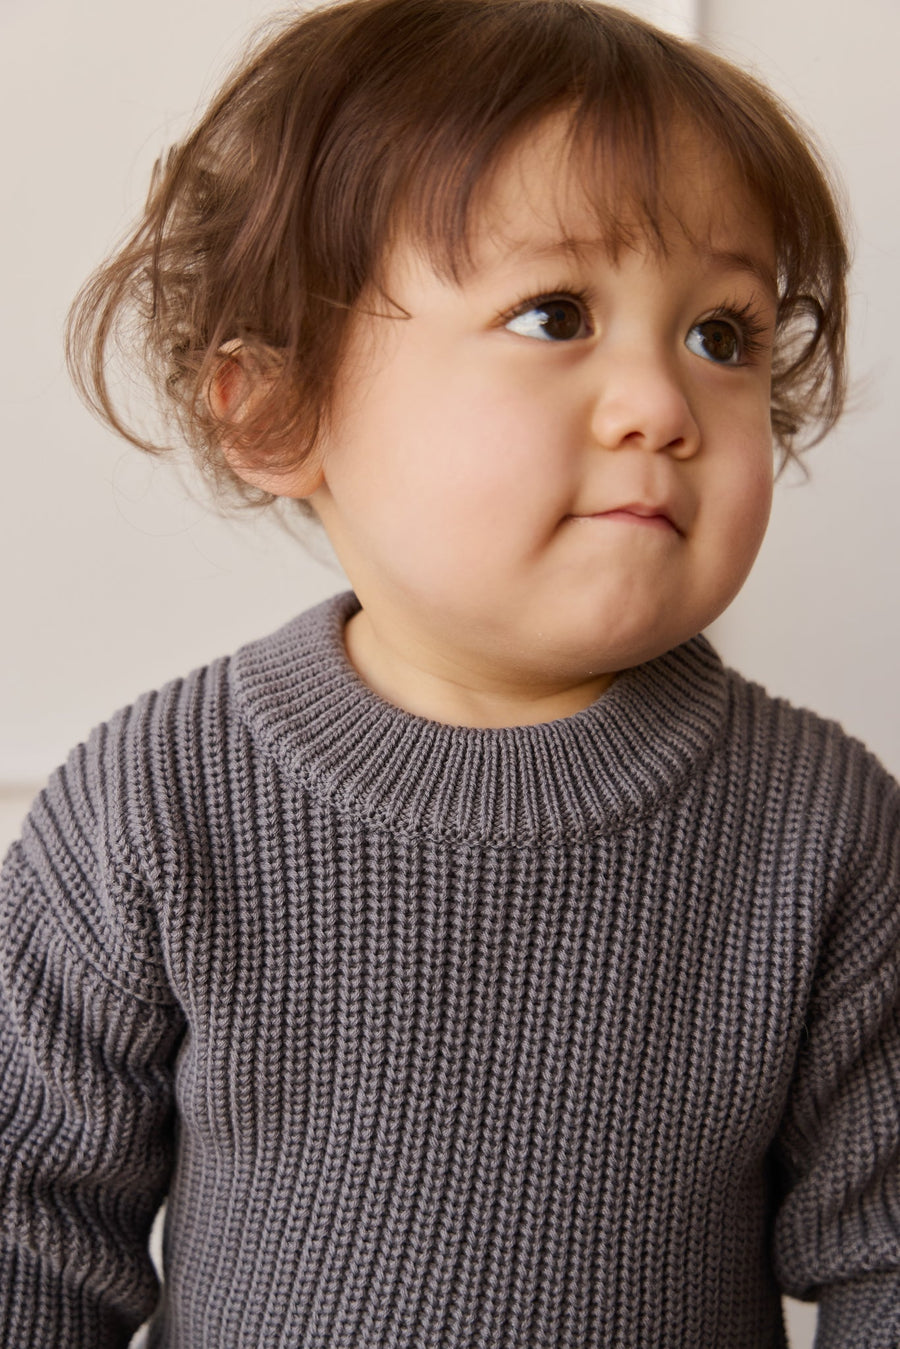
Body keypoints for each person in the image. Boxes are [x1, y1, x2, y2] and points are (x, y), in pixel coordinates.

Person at [1, 0, 898, 1343]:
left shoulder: (824, 831)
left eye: (723, 335)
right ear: (278, 407)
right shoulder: (152, 802)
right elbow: (27, 1232)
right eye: (556, 313)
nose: (662, 405)